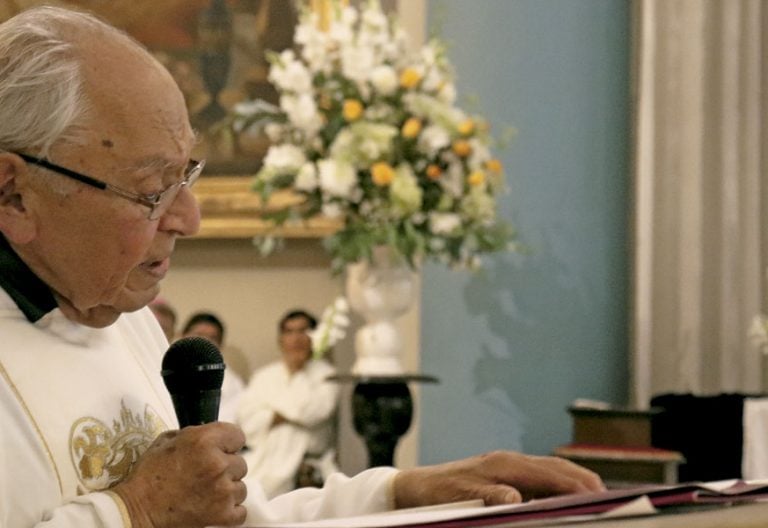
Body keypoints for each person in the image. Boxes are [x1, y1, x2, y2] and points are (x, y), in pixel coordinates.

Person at [0, 6, 603, 527]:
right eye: (151, 189)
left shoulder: (116, 308)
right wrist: (137, 512)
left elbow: (243, 518)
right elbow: (157, 510)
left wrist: (400, 493)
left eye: (185, 175)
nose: (188, 217)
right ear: (13, 194)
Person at [237, 309, 340, 497]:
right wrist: (289, 417)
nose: (296, 338)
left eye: (303, 331)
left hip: (307, 461)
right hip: (263, 456)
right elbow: (248, 420)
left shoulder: (327, 375)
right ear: (281, 340)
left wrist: (274, 412)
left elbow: (315, 412)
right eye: (289, 332)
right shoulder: (264, 376)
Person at [181, 310, 245, 423]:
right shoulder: (161, 368)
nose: (205, 341)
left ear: (220, 346)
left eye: (213, 338)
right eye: (198, 334)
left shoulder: (232, 384)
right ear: (183, 336)